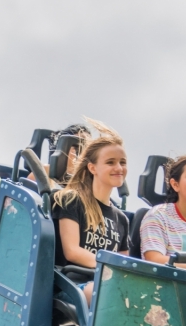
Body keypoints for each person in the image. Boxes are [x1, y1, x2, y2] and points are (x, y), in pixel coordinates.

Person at [51, 120, 130, 304]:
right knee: (109, 294)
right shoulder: (72, 200)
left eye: (122, 162)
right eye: (110, 162)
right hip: (74, 284)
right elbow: (72, 251)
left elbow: (123, 264)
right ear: (92, 167)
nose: (118, 168)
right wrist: (110, 267)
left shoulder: (122, 219)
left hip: (108, 283)